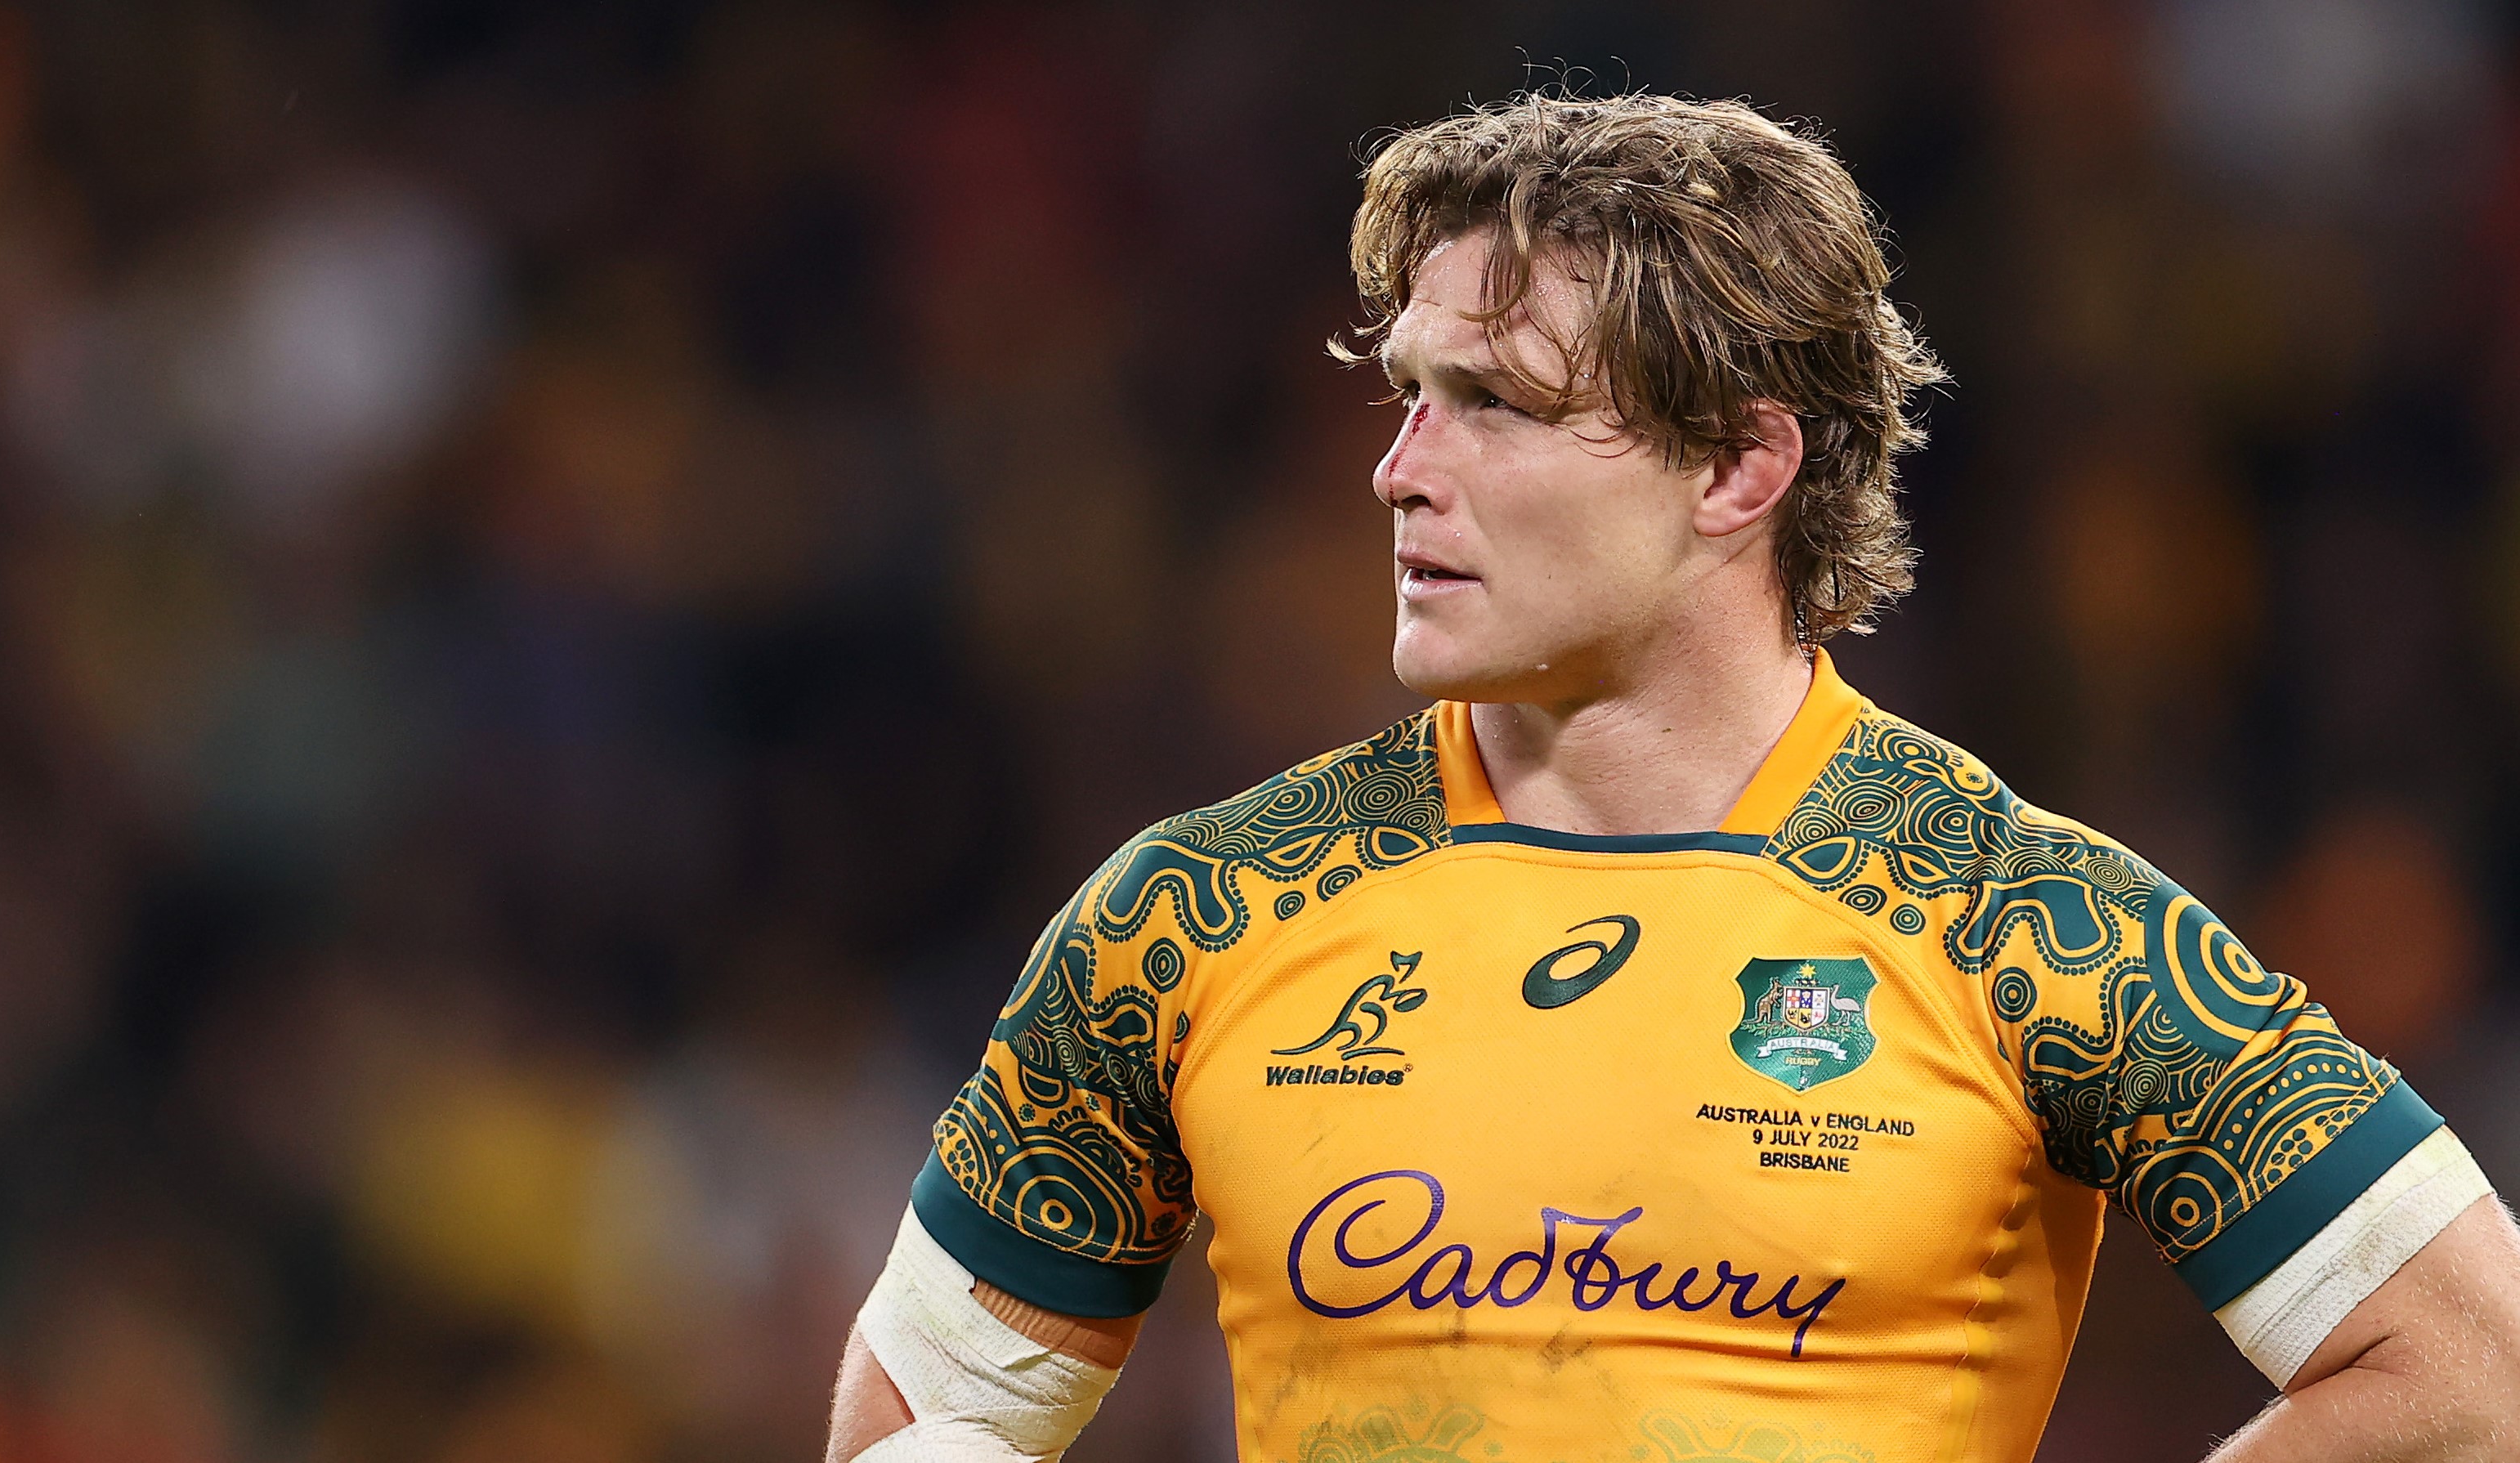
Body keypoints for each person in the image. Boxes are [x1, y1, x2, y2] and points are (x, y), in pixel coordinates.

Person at [824, 93, 2520, 1463]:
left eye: (1493, 402)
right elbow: (919, 1420)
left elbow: (2471, 1372)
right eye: (1409, 394)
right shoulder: (1195, 913)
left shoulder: (2025, 926)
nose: (1398, 469)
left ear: (1739, 465)